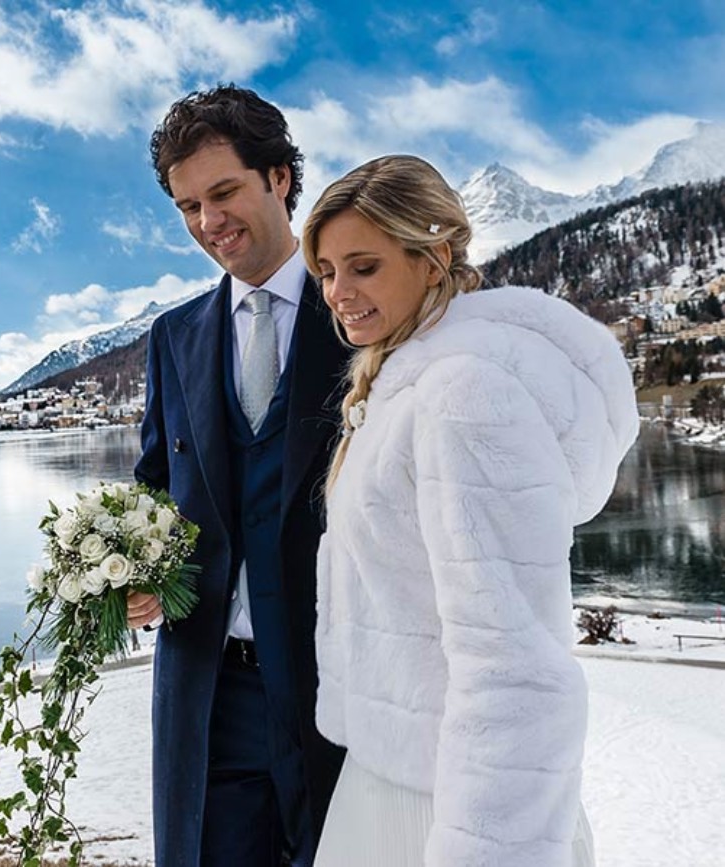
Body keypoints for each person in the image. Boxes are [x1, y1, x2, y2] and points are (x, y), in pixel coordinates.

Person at [301, 154, 639, 866]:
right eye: (327, 272)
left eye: (363, 265)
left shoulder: (463, 395)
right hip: (391, 780)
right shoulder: (402, 380)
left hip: (455, 813)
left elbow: (516, 664)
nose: (339, 292)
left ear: (434, 259)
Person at [129, 84, 348, 867]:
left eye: (223, 192)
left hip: (341, 688)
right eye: (188, 206)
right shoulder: (173, 336)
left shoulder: (358, 314)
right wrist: (129, 569)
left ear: (279, 177)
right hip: (209, 697)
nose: (208, 222)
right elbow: (154, 486)